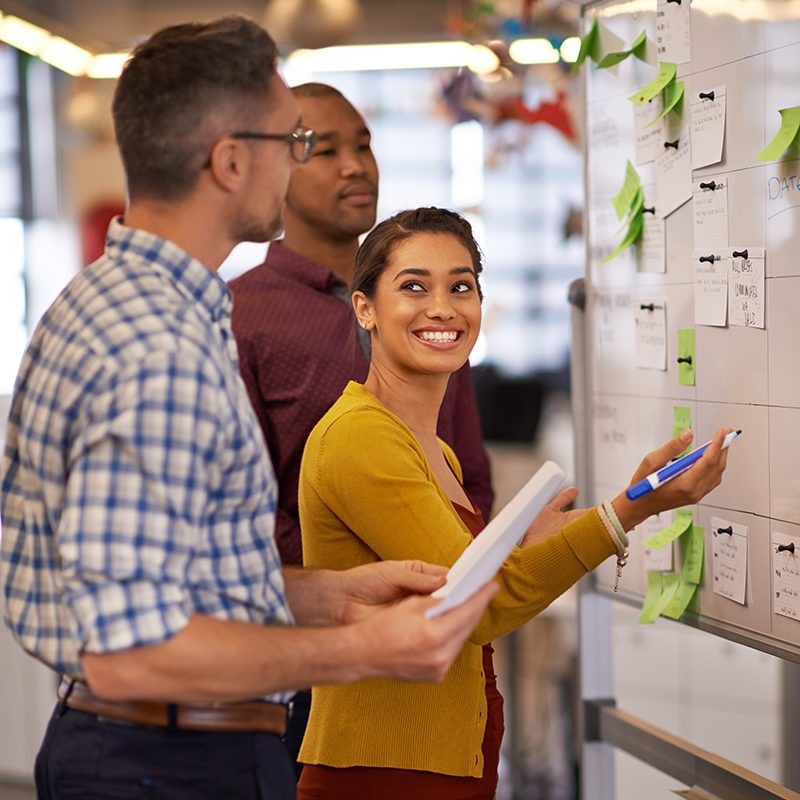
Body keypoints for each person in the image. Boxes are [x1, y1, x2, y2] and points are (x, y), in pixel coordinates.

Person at [0, 21, 498, 800]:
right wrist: (365, 651)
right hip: (166, 763)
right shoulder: (155, 346)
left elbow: (180, 579)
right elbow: (133, 650)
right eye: (295, 139)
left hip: (165, 750)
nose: (306, 159)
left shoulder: (131, 304)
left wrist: (331, 597)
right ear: (232, 160)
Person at [295, 207, 732, 798]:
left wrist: (543, 536)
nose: (443, 307)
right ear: (365, 307)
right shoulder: (360, 435)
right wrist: (630, 511)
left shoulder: (434, 448)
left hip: (443, 759)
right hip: (387, 768)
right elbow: (475, 608)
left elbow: (463, 569)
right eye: (413, 287)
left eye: (461, 286)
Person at [229, 82, 495, 775]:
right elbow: (240, 511)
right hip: (309, 658)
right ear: (274, 172)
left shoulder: (428, 311)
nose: (355, 165)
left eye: (364, 145)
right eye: (324, 149)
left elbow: (469, 473)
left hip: (443, 635)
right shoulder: (243, 316)